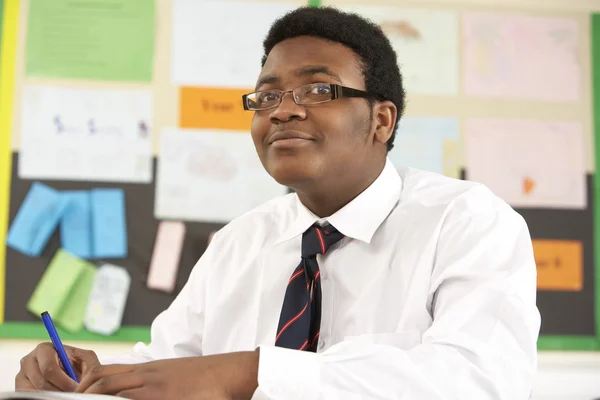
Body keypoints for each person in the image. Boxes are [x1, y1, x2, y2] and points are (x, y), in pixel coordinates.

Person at [15, 6, 541, 400]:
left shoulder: (467, 221)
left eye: (317, 92)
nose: (283, 112)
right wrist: (89, 378)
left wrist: (252, 372)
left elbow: (483, 379)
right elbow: (167, 371)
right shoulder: (237, 243)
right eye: (267, 96)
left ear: (381, 121)